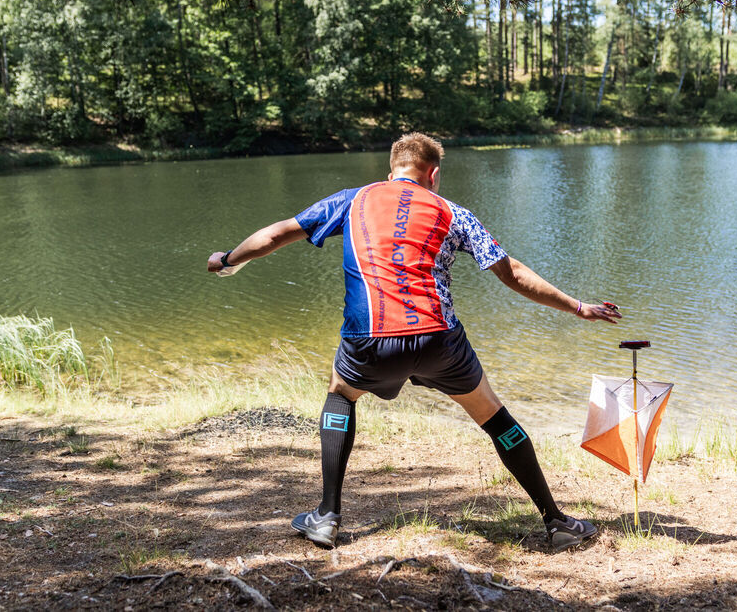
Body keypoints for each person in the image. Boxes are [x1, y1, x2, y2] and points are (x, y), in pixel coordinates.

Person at [207, 132, 621, 551]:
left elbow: (276, 235)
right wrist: (577, 306)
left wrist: (227, 260)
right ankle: (556, 522)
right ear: (433, 174)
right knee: (494, 417)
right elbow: (510, 272)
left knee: (341, 394)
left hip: (369, 340)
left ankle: (327, 516)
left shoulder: (354, 199)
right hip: (438, 341)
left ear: (391, 172)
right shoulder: (453, 212)